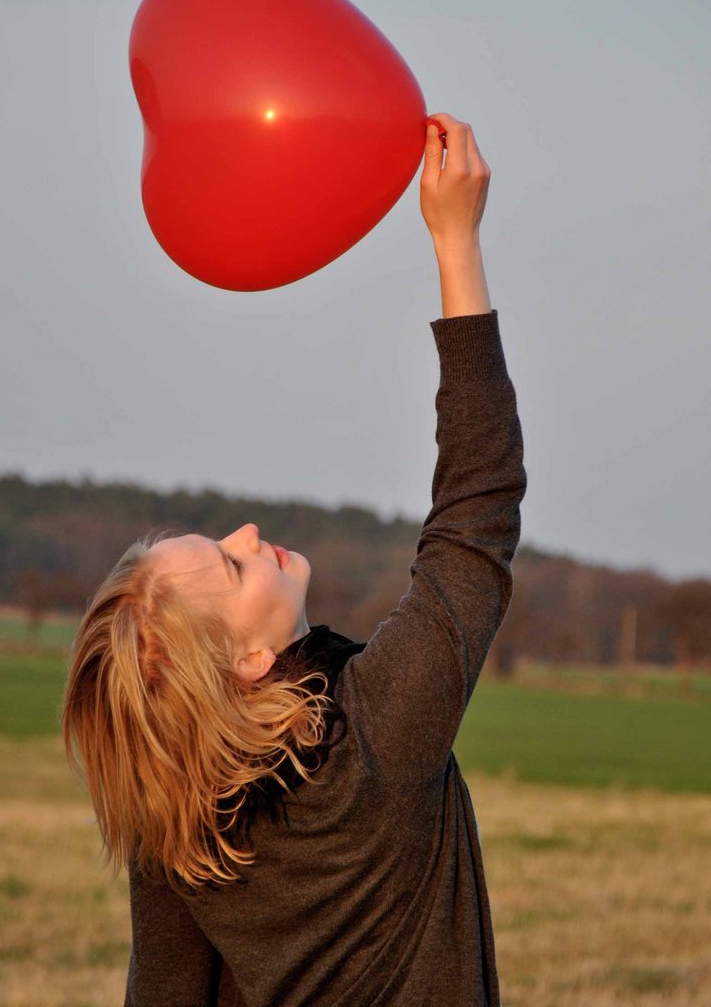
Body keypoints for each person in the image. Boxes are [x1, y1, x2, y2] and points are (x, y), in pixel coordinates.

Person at [62, 113, 527, 1006]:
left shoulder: (177, 818)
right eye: (232, 569)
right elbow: (476, 510)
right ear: (244, 662)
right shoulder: (378, 735)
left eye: (220, 541)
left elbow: (161, 993)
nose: (246, 536)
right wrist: (455, 242)